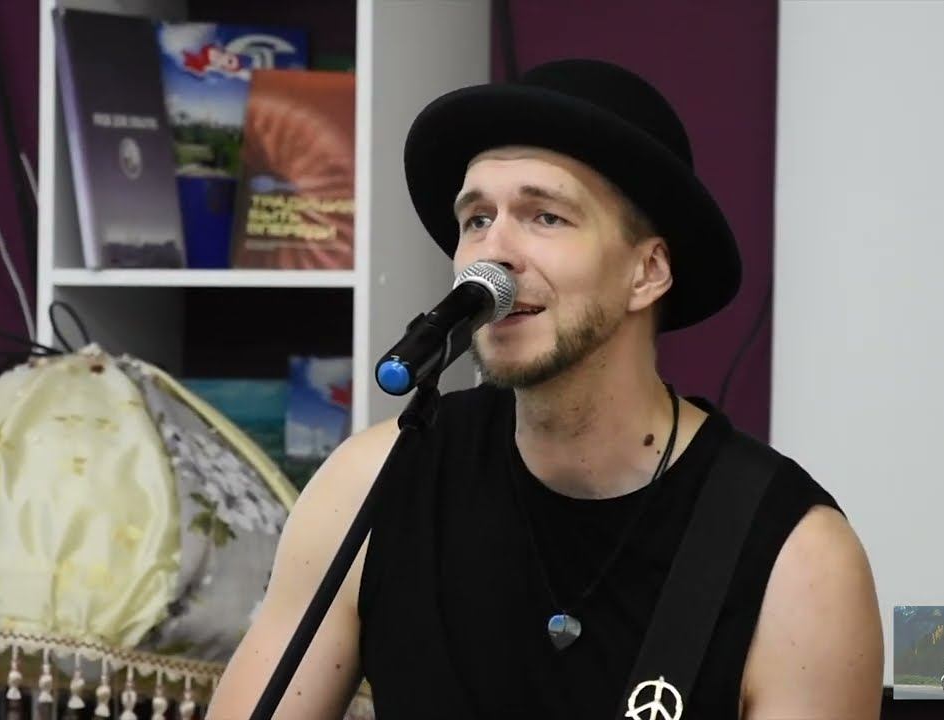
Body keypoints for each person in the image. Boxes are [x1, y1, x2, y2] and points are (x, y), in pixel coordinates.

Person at [208, 58, 884, 719]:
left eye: (546, 217)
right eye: (477, 219)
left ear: (647, 272)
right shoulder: (372, 486)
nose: (492, 255)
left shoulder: (796, 560)